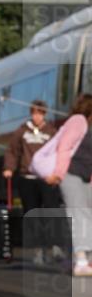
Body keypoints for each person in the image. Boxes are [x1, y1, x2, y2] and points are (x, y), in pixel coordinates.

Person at [3, 99, 61, 264]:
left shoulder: (51, 131)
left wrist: (58, 172)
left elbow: (58, 151)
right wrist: (9, 167)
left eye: (40, 113)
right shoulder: (22, 131)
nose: (37, 116)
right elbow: (12, 151)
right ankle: (38, 250)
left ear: (44, 114)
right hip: (27, 177)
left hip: (46, 178)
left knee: (51, 211)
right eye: (34, 113)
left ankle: (55, 245)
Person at [47, 93, 92, 277]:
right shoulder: (77, 121)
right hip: (70, 173)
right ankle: (81, 261)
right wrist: (58, 173)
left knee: (87, 215)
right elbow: (64, 147)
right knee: (78, 214)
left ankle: (76, 259)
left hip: (86, 176)